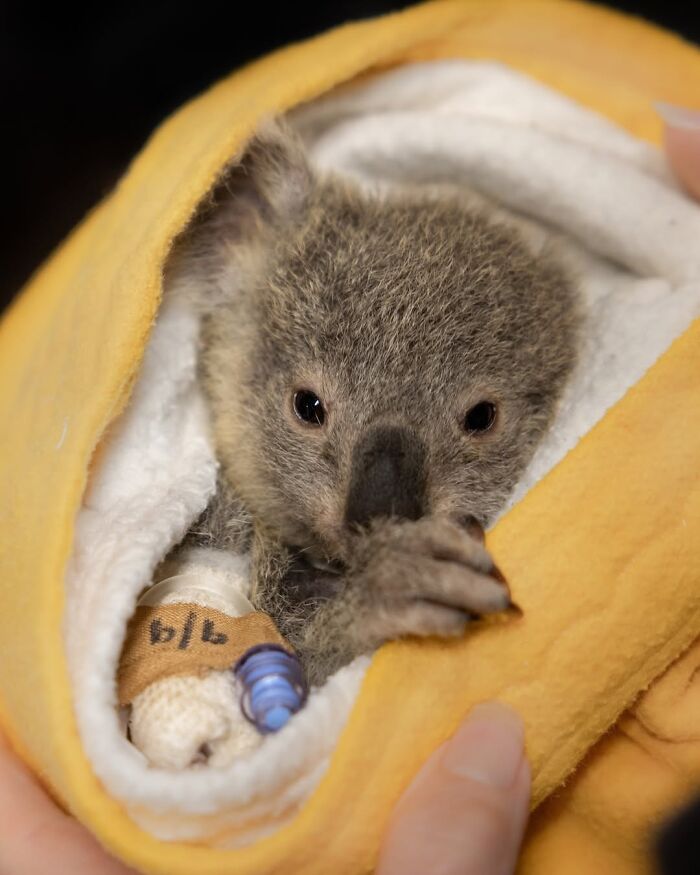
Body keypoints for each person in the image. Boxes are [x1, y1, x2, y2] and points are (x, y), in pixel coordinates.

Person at [0, 110, 697, 875]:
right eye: (309, 408)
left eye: (478, 420)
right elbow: (268, 632)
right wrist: (364, 606)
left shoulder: (590, 388)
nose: (379, 503)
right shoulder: (229, 509)